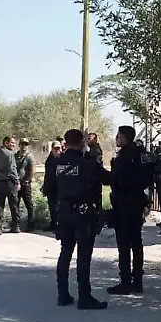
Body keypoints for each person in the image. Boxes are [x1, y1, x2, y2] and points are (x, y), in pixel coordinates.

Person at [53, 128, 110, 310]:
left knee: (65, 252)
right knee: (83, 255)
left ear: (66, 142)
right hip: (83, 213)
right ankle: (84, 297)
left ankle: (63, 294)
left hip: (64, 212)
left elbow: (49, 187)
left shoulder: (57, 162)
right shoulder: (87, 163)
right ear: (82, 142)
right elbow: (107, 179)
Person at [107, 125, 157, 295]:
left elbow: (115, 180)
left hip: (123, 202)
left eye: (118, 136)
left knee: (123, 244)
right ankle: (138, 281)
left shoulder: (123, 156)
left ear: (124, 138)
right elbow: (151, 175)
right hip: (137, 202)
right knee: (136, 242)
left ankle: (125, 281)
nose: (116, 139)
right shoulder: (143, 154)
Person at [0, 136, 22, 234]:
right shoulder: (10, 154)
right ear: (5, 143)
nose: (13, 145)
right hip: (8, 182)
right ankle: (15, 226)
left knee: (0, 205)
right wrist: (17, 181)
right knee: (14, 205)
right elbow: (12, 169)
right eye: (11, 143)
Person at [15, 138, 37, 230]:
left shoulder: (29, 156)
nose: (24, 146)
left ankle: (31, 224)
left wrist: (27, 180)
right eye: (22, 144)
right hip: (16, 183)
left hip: (25, 184)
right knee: (15, 204)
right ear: (19, 145)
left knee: (29, 204)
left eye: (26, 144)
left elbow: (32, 170)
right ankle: (16, 224)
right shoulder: (15, 156)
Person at [42, 140, 63, 232]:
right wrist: (44, 187)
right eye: (55, 148)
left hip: (60, 187)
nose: (57, 150)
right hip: (51, 187)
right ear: (52, 149)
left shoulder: (63, 158)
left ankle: (59, 225)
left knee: (59, 207)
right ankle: (54, 224)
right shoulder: (49, 159)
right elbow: (47, 174)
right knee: (52, 207)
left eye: (59, 148)